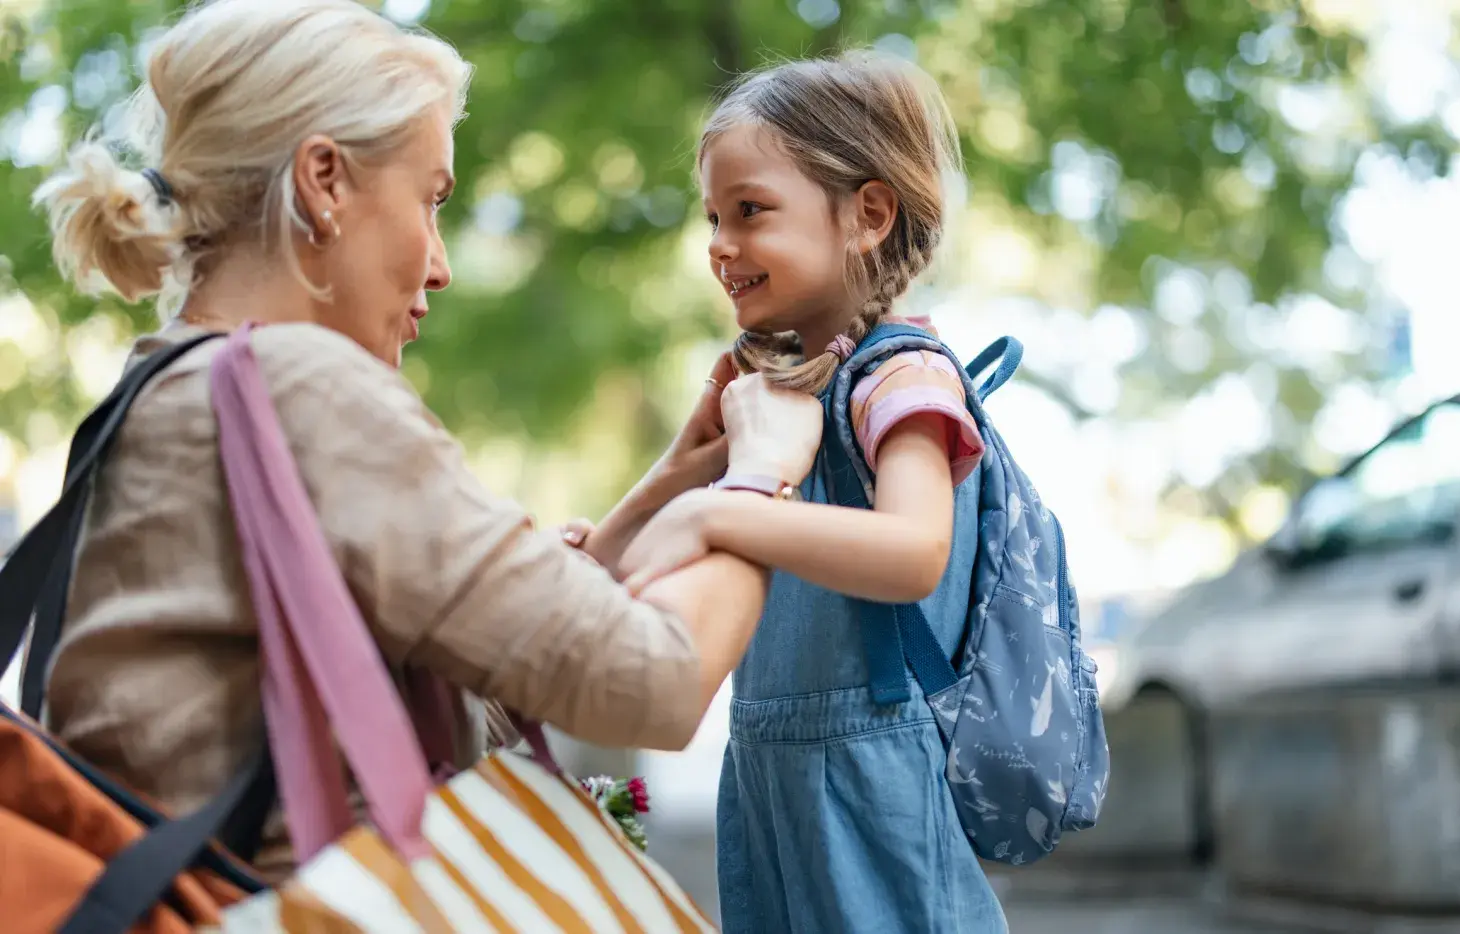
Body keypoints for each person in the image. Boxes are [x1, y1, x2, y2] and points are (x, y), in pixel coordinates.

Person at [28, 0, 822, 881]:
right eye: (431, 200)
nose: (440, 262)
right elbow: (652, 683)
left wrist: (669, 486)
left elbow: (460, 651)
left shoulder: (163, 389)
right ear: (323, 181)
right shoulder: (301, 386)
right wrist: (761, 478)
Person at [618, 53, 1009, 932]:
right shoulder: (782, 400)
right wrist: (685, 478)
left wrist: (722, 508)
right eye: (713, 216)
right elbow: (632, 576)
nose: (718, 243)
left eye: (750, 211)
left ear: (867, 215)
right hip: (767, 770)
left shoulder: (900, 378)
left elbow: (916, 553)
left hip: (872, 779)